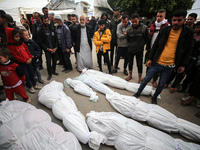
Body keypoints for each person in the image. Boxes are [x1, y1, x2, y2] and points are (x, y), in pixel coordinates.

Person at [133, 10, 194, 104]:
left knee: (161, 84)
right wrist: (150, 58)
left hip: (170, 66)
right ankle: (138, 92)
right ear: (171, 20)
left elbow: (188, 50)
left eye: (179, 20)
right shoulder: (164, 30)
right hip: (157, 62)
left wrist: (183, 65)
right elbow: (156, 45)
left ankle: (155, 97)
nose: (176, 22)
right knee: (145, 79)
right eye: (174, 20)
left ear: (184, 20)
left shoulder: (188, 33)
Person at [5, 27, 41, 93]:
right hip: (22, 63)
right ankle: (29, 86)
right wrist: (25, 61)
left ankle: (35, 84)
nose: (18, 38)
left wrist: (30, 57)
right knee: (26, 75)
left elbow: (27, 50)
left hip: (28, 61)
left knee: (31, 73)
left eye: (19, 36)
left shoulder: (21, 43)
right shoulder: (10, 46)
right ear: (11, 37)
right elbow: (15, 56)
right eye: (16, 37)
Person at [169, 21, 200, 93]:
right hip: (183, 55)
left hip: (192, 57)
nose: (196, 29)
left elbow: (190, 48)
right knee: (174, 70)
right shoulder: (191, 34)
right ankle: (167, 82)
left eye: (198, 28)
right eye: (195, 27)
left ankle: (174, 86)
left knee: (182, 72)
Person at [145, 9, 170, 87]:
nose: (158, 18)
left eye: (161, 16)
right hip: (151, 48)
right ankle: (146, 77)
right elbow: (150, 36)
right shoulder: (153, 25)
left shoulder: (167, 26)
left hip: (159, 50)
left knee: (156, 66)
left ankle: (154, 80)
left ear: (164, 16)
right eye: (157, 16)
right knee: (148, 64)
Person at [125, 13, 150, 83]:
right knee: (130, 63)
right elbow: (128, 39)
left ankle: (139, 78)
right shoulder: (129, 29)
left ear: (139, 20)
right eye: (132, 22)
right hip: (130, 49)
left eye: (136, 21)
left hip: (139, 50)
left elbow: (147, 39)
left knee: (139, 64)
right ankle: (130, 75)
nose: (134, 23)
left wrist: (141, 44)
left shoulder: (144, 28)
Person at [37, 15, 58, 80]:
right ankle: (49, 74)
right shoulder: (40, 31)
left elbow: (56, 39)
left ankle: (53, 71)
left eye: (47, 21)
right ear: (42, 21)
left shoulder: (52, 29)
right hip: (47, 50)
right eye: (45, 21)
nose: (46, 22)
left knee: (54, 61)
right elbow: (40, 42)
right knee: (48, 62)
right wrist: (47, 49)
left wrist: (55, 48)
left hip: (54, 49)